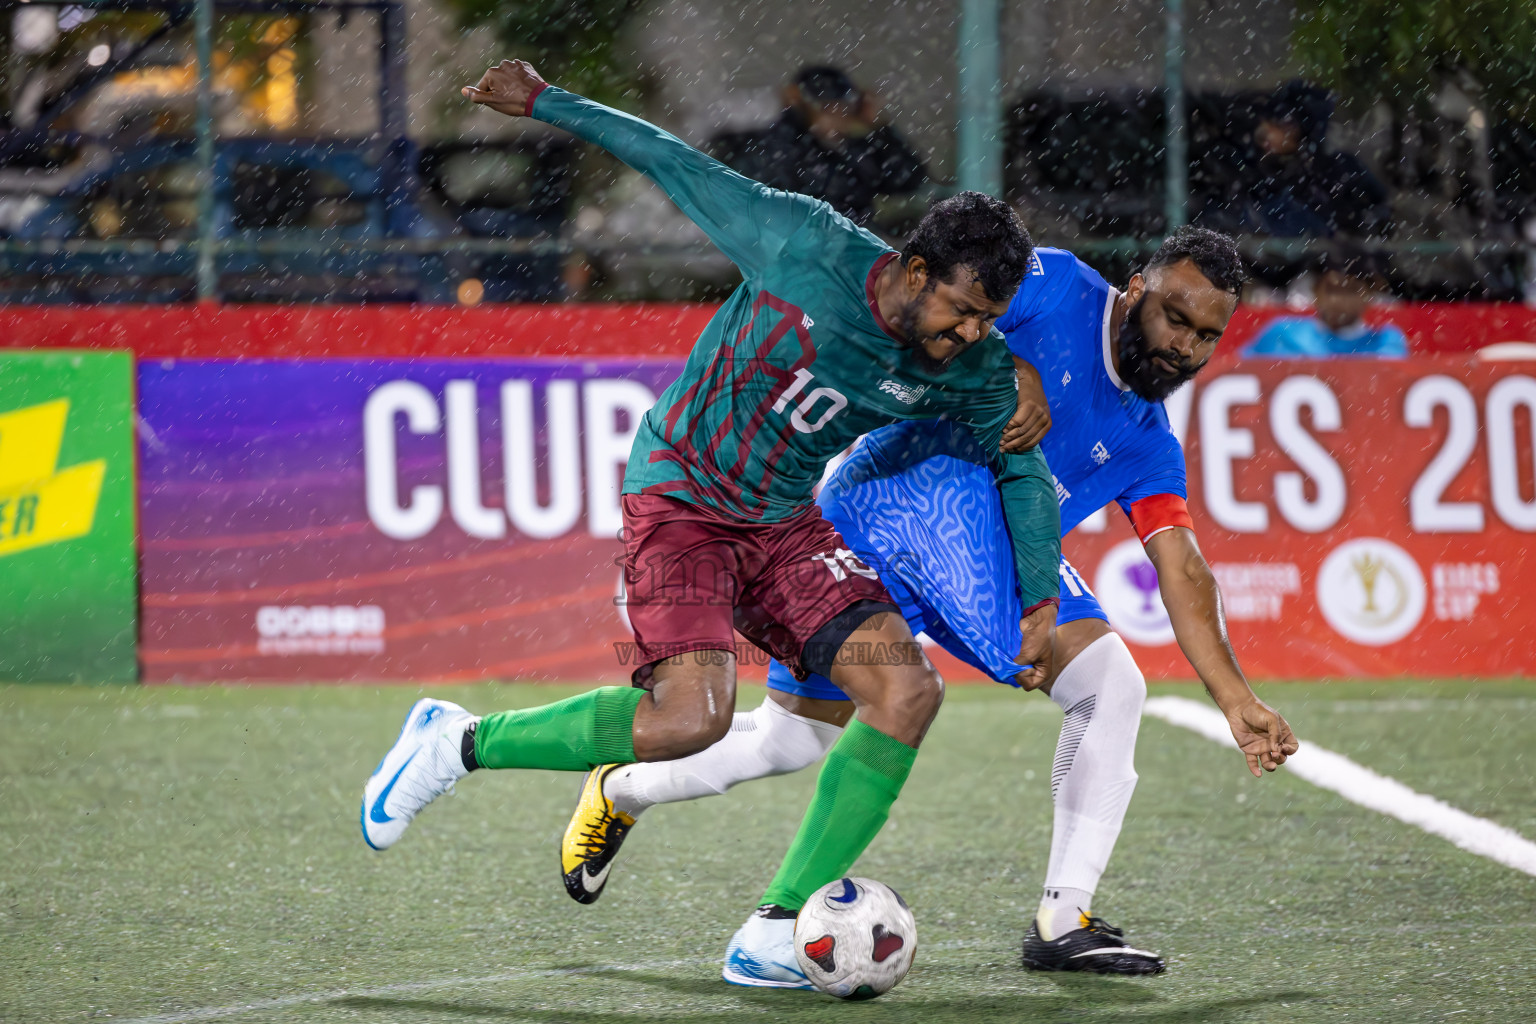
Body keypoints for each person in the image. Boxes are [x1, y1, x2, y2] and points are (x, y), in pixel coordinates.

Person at [360, 59, 1064, 967]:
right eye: (962, 311)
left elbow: (1022, 463)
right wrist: (543, 101)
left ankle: (773, 932)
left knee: (904, 689)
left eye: (987, 321)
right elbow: (668, 159)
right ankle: (456, 741)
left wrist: (1037, 597)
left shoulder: (969, 365)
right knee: (687, 717)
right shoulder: (804, 244)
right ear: (915, 269)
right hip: (680, 500)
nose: (971, 336)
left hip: (781, 525)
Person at [561, 226, 1299, 986]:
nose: (1185, 346)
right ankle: (1060, 921)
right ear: (1136, 290)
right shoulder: (1060, 284)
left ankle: (621, 789)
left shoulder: (1149, 440)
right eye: (1176, 319)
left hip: (912, 537)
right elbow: (937, 296)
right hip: (905, 498)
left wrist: (1235, 698)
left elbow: (1180, 565)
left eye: (1206, 336)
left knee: (791, 740)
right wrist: (1013, 367)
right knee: (1108, 685)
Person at [708, 65, 927, 227]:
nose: (836, 114)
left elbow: (910, 180)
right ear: (799, 103)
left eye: (842, 107)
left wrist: (880, 128)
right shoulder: (776, 146)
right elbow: (817, 197)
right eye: (825, 106)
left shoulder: (852, 146)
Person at [1197, 80, 1388, 240]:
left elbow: (1377, 208)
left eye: (1283, 125)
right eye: (1268, 120)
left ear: (1303, 134)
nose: (1268, 132)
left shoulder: (1337, 168)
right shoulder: (1241, 162)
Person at [1244, 249, 1407, 358]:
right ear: (1316, 291)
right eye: (1331, 289)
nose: (1338, 300)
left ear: (1369, 294)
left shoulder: (1386, 342)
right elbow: (1237, 375)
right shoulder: (1281, 334)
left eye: (1350, 290)